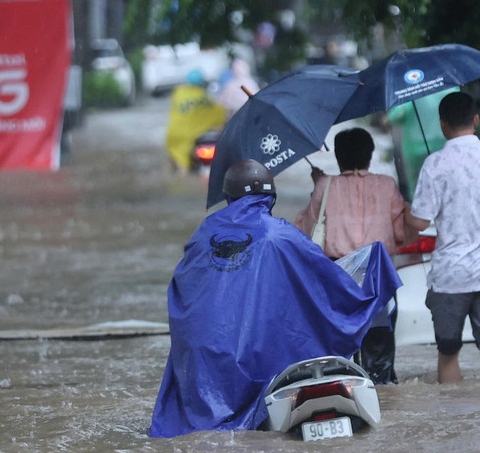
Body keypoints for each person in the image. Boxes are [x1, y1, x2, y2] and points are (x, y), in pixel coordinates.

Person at [149, 160, 401, 438]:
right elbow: (326, 281)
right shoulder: (280, 234)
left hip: (208, 359)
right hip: (259, 355)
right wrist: (371, 272)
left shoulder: (205, 232)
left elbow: (183, 290)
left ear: (229, 196)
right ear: (270, 197)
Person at [406, 91, 480, 386]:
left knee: (448, 353)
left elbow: (420, 221)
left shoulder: (434, 164)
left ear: (442, 125)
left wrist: (405, 211)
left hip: (450, 277)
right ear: (476, 120)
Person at [294, 127, 407, 384]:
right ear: (370, 155)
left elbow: (306, 232)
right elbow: (400, 233)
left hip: (337, 275)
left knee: (339, 347)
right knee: (379, 351)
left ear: (338, 157)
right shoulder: (386, 185)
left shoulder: (325, 185)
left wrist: (318, 189)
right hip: (378, 276)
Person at [164, 69, 226, 175]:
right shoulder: (205, 97)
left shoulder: (179, 93)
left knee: (175, 156)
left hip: (174, 134)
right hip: (195, 134)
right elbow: (218, 112)